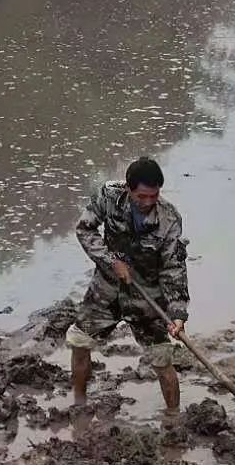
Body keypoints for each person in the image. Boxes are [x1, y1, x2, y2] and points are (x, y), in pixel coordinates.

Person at [66, 156, 189, 414]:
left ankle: (173, 418)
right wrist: (111, 261)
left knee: (162, 359)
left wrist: (177, 314)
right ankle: (79, 404)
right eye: (141, 196)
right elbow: (84, 229)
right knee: (79, 341)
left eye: (153, 196)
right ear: (128, 188)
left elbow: (173, 268)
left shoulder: (169, 220)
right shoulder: (110, 196)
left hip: (148, 297)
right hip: (107, 288)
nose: (147, 203)